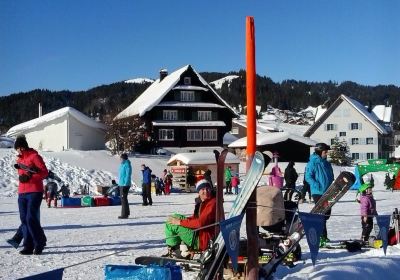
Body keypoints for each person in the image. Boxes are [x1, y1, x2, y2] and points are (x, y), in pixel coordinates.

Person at [163, 179, 216, 258]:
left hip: (202, 239)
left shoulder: (212, 203)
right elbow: (196, 218)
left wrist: (180, 222)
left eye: (208, 189)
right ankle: (180, 250)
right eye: (203, 189)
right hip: (200, 234)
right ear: (198, 192)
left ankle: (174, 251)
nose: (206, 191)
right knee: (174, 217)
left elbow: (200, 223)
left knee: (170, 224)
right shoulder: (204, 202)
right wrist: (181, 220)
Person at [14, 135, 48, 255]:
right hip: (22, 193)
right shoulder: (19, 160)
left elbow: (44, 173)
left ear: (24, 146)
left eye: (21, 147)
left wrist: (30, 177)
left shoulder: (35, 156)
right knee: (24, 220)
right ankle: (28, 246)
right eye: (17, 148)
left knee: (30, 218)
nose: (19, 150)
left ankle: (39, 242)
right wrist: (23, 178)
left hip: (34, 191)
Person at [305, 142, 334, 246]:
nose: (327, 154)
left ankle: (322, 235)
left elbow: (331, 175)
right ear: (319, 151)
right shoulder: (313, 162)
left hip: (328, 192)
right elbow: (308, 176)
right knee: (321, 215)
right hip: (317, 192)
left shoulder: (326, 163)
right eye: (325, 152)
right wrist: (316, 185)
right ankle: (321, 237)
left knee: (326, 214)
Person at [118, 153, 132, 219]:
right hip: (121, 184)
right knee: (123, 199)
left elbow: (127, 175)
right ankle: (126, 212)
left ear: (123, 158)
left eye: (120, 158)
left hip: (125, 184)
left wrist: (125, 184)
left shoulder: (127, 165)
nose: (120, 159)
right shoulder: (122, 165)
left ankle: (124, 214)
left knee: (123, 199)